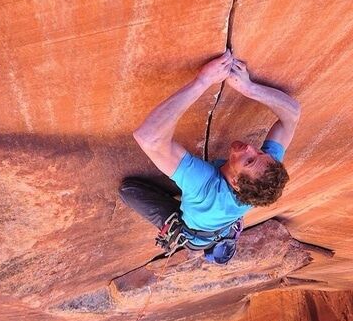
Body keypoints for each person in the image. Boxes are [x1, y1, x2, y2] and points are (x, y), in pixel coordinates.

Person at [119, 50, 301, 263]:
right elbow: (292, 115)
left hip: (194, 233)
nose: (251, 148)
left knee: (128, 190)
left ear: (235, 183)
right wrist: (248, 87)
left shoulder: (204, 186)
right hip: (217, 224)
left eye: (248, 160)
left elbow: (149, 137)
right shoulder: (262, 175)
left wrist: (203, 81)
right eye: (259, 152)